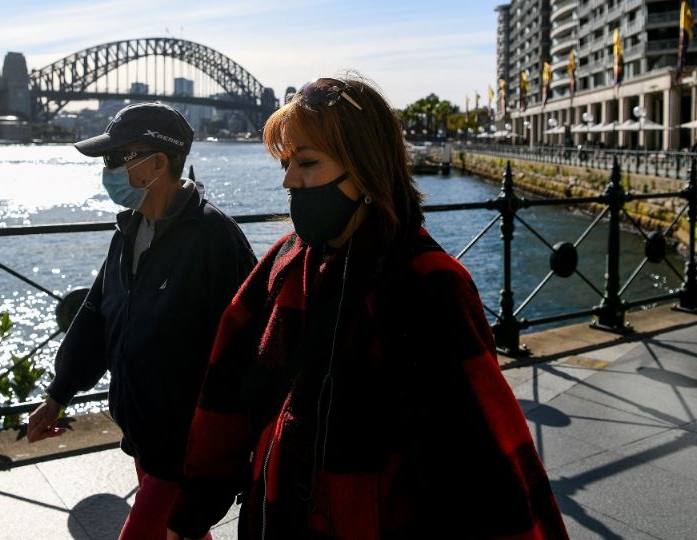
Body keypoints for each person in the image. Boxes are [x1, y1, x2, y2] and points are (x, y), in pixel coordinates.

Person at [166, 75, 569, 539]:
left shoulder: (426, 288)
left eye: (307, 162)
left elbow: (477, 468)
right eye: (286, 163)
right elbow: (227, 394)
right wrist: (191, 513)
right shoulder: (284, 262)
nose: (289, 180)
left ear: (366, 168)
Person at [27, 102, 256, 539]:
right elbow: (96, 316)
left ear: (157, 162)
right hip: (143, 432)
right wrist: (59, 393)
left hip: (185, 446)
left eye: (116, 157)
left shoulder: (215, 240)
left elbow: (241, 354)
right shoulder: (129, 231)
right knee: (182, 532)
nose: (106, 169)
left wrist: (221, 462)